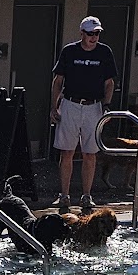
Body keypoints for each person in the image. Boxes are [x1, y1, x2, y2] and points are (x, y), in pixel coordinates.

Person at [50, 16, 117, 210]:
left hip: (93, 106)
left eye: (97, 33)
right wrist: (54, 107)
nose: (94, 37)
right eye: (90, 33)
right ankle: (64, 195)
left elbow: (109, 82)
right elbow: (58, 81)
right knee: (67, 152)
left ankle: (87, 195)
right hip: (70, 104)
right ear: (82, 33)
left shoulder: (105, 52)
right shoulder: (69, 51)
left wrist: (106, 106)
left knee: (90, 153)